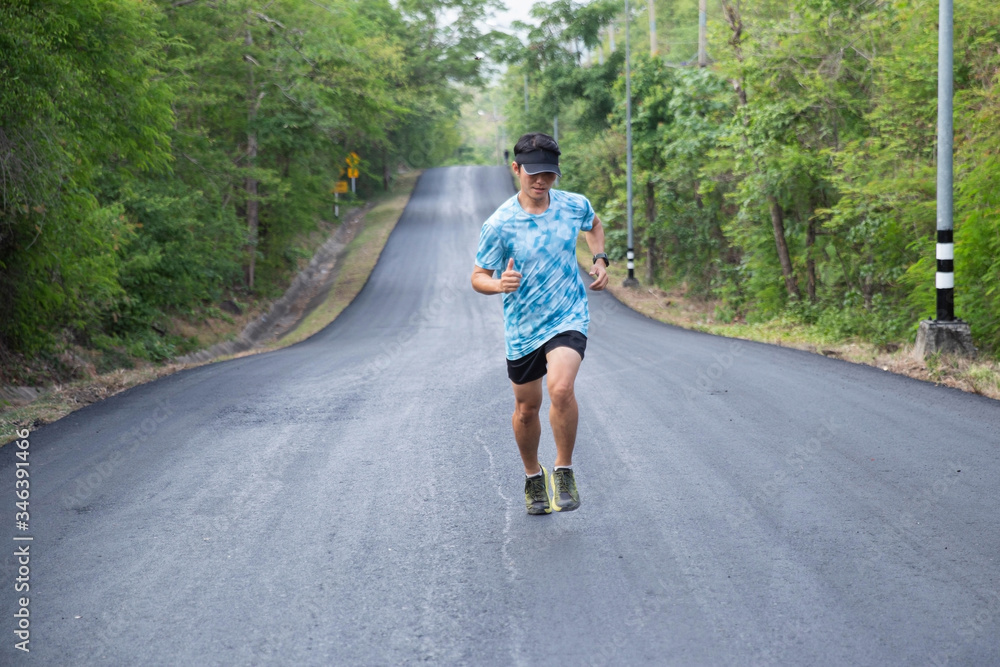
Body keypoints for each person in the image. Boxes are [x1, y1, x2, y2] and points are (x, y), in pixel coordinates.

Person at [471, 132, 609, 515]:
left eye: (548, 174)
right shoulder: (499, 224)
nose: (540, 181)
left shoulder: (572, 205)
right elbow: (477, 275)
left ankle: (563, 470)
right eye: (532, 173)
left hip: (568, 314)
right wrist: (499, 283)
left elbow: (594, 225)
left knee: (561, 388)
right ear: (516, 169)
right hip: (523, 326)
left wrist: (600, 259)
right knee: (526, 408)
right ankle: (534, 476)